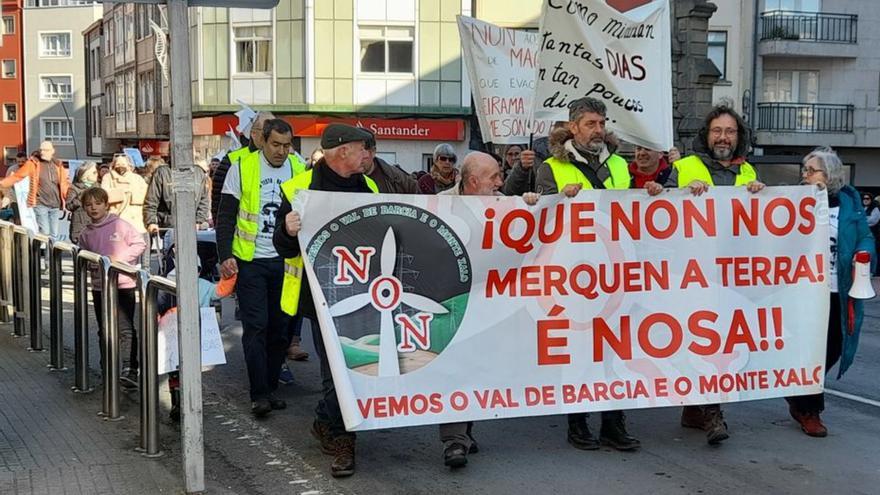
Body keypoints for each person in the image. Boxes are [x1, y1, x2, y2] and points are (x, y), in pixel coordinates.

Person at [647, 104, 765, 445]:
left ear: (739, 137)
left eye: (730, 131)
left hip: (730, 275)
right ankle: (704, 409)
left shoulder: (748, 173)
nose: (723, 137)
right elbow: (654, 212)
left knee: (719, 344)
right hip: (690, 274)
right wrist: (674, 192)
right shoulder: (684, 168)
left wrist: (761, 194)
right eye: (717, 131)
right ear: (707, 135)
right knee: (699, 343)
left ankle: (706, 410)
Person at [532, 96, 640, 452]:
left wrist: (651, 194)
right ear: (573, 127)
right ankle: (577, 421)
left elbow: (634, 209)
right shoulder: (551, 167)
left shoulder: (619, 165)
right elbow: (544, 218)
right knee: (580, 350)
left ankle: (613, 421)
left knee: (617, 350)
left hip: (616, 270)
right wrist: (560, 198)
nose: (598, 130)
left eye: (602, 123)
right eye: (590, 123)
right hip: (575, 273)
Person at [273, 123, 378, 478]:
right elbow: (283, 247)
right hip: (319, 295)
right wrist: (288, 230)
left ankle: (325, 419)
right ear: (341, 151)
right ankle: (340, 439)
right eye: (363, 148)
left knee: (354, 365)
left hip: (361, 293)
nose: (368, 155)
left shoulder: (369, 186)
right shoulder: (300, 188)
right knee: (335, 369)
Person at [216, 118, 307, 418]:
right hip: (251, 261)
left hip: (287, 262)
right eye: (276, 145)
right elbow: (226, 216)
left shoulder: (298, 168)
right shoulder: (242, 167)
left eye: (286, 145)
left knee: (281, 329)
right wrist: (225, 254)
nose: (281, 151)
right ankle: (259, 394)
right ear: (263, 141)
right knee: (257, 326)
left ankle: (269, 387)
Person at [787, 147, 875, 436]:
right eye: (804, 169)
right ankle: (810, 410)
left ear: (831, 174)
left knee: (833, 347)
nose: (805, 174)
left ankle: (798, 394)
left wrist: (865, 252)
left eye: (812, 170)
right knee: (808, 350)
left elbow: (865, 236)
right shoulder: (793, 202)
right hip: (803, 290)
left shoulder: (850, 205)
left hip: (837, 291)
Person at [435, 151, 503, 468]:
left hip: (490, 301)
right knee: (455, 369)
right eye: (494, 178)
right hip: (452, 301)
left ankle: (466, 430)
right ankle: (455, 441)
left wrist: (533, 204)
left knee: (475, 368)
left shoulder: (506, 205)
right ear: (473, 182)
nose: (500, 183)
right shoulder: (440, 206)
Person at [77, 187, 146, 388]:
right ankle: (107, 365)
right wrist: (91, 263)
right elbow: (83, 253)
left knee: (124, 328)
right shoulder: (86, 233)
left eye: (98, 203)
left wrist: (119, 260)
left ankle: (130, 368)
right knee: (104, 328)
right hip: (100, 287)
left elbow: (139, 244)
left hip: (123, 284)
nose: (93, 208)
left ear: (106, 205)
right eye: (89, 205)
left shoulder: (120, 225)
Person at [212, 111, 276, 221]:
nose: (270, 135)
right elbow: (219, 206)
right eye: (265, 131)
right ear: (253, 133)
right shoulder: (232, 160)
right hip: (241, 235)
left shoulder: (287, 161)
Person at [0, 141, 69, 239]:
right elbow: (18, 176)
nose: (42, 152)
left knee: (54, 234)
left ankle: (51, 254)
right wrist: (2, 183)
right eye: (41, 149)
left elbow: (64, 184)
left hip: (55, 204)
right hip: (40, 203)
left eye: (45, 150)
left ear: (52, 151)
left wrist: (67, 199)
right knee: (44, 232)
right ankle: (44, 254)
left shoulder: (58, 165)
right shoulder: (33, 163)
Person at [143, 155, 210, 235]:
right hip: (168, 227)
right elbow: (151, 200)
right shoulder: (162, 172)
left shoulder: (199, 173)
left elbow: (204, 201)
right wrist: (151, 222)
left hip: (193, 227)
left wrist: (199, 221)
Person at [102, 155, 149, 267]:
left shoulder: (137, 178)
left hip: (136, 220)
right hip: (116, 219)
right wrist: (122, 193)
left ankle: (143, 268)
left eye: (123, 164)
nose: (121, 167)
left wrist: (131, 194)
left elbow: (146, 195)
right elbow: (104, 196)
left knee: (139, 245)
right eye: (118, 164)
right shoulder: (108, 178)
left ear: (129, 166)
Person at [66, 161, 99, 244]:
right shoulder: (75, 188)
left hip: (96, 225)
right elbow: (69, 206)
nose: (97, 174)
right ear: (86, 174)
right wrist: (80, 198)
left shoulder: (99, 187)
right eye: (94, 172)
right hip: (80, 225)